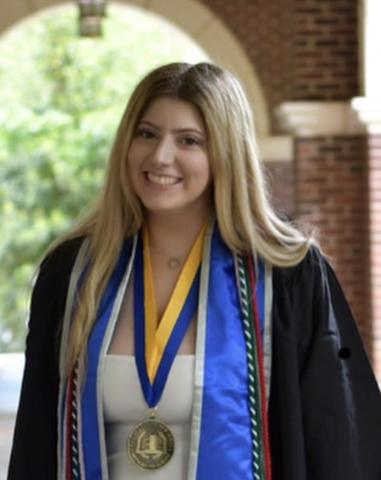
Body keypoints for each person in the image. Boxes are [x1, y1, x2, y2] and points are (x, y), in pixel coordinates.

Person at [8, 62, 381, 480]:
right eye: (146, 134)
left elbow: (338, 441)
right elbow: (36, 441)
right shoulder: (75, 273)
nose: (160, 156)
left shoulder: (288, 275)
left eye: (189, 140)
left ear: (226, 152)